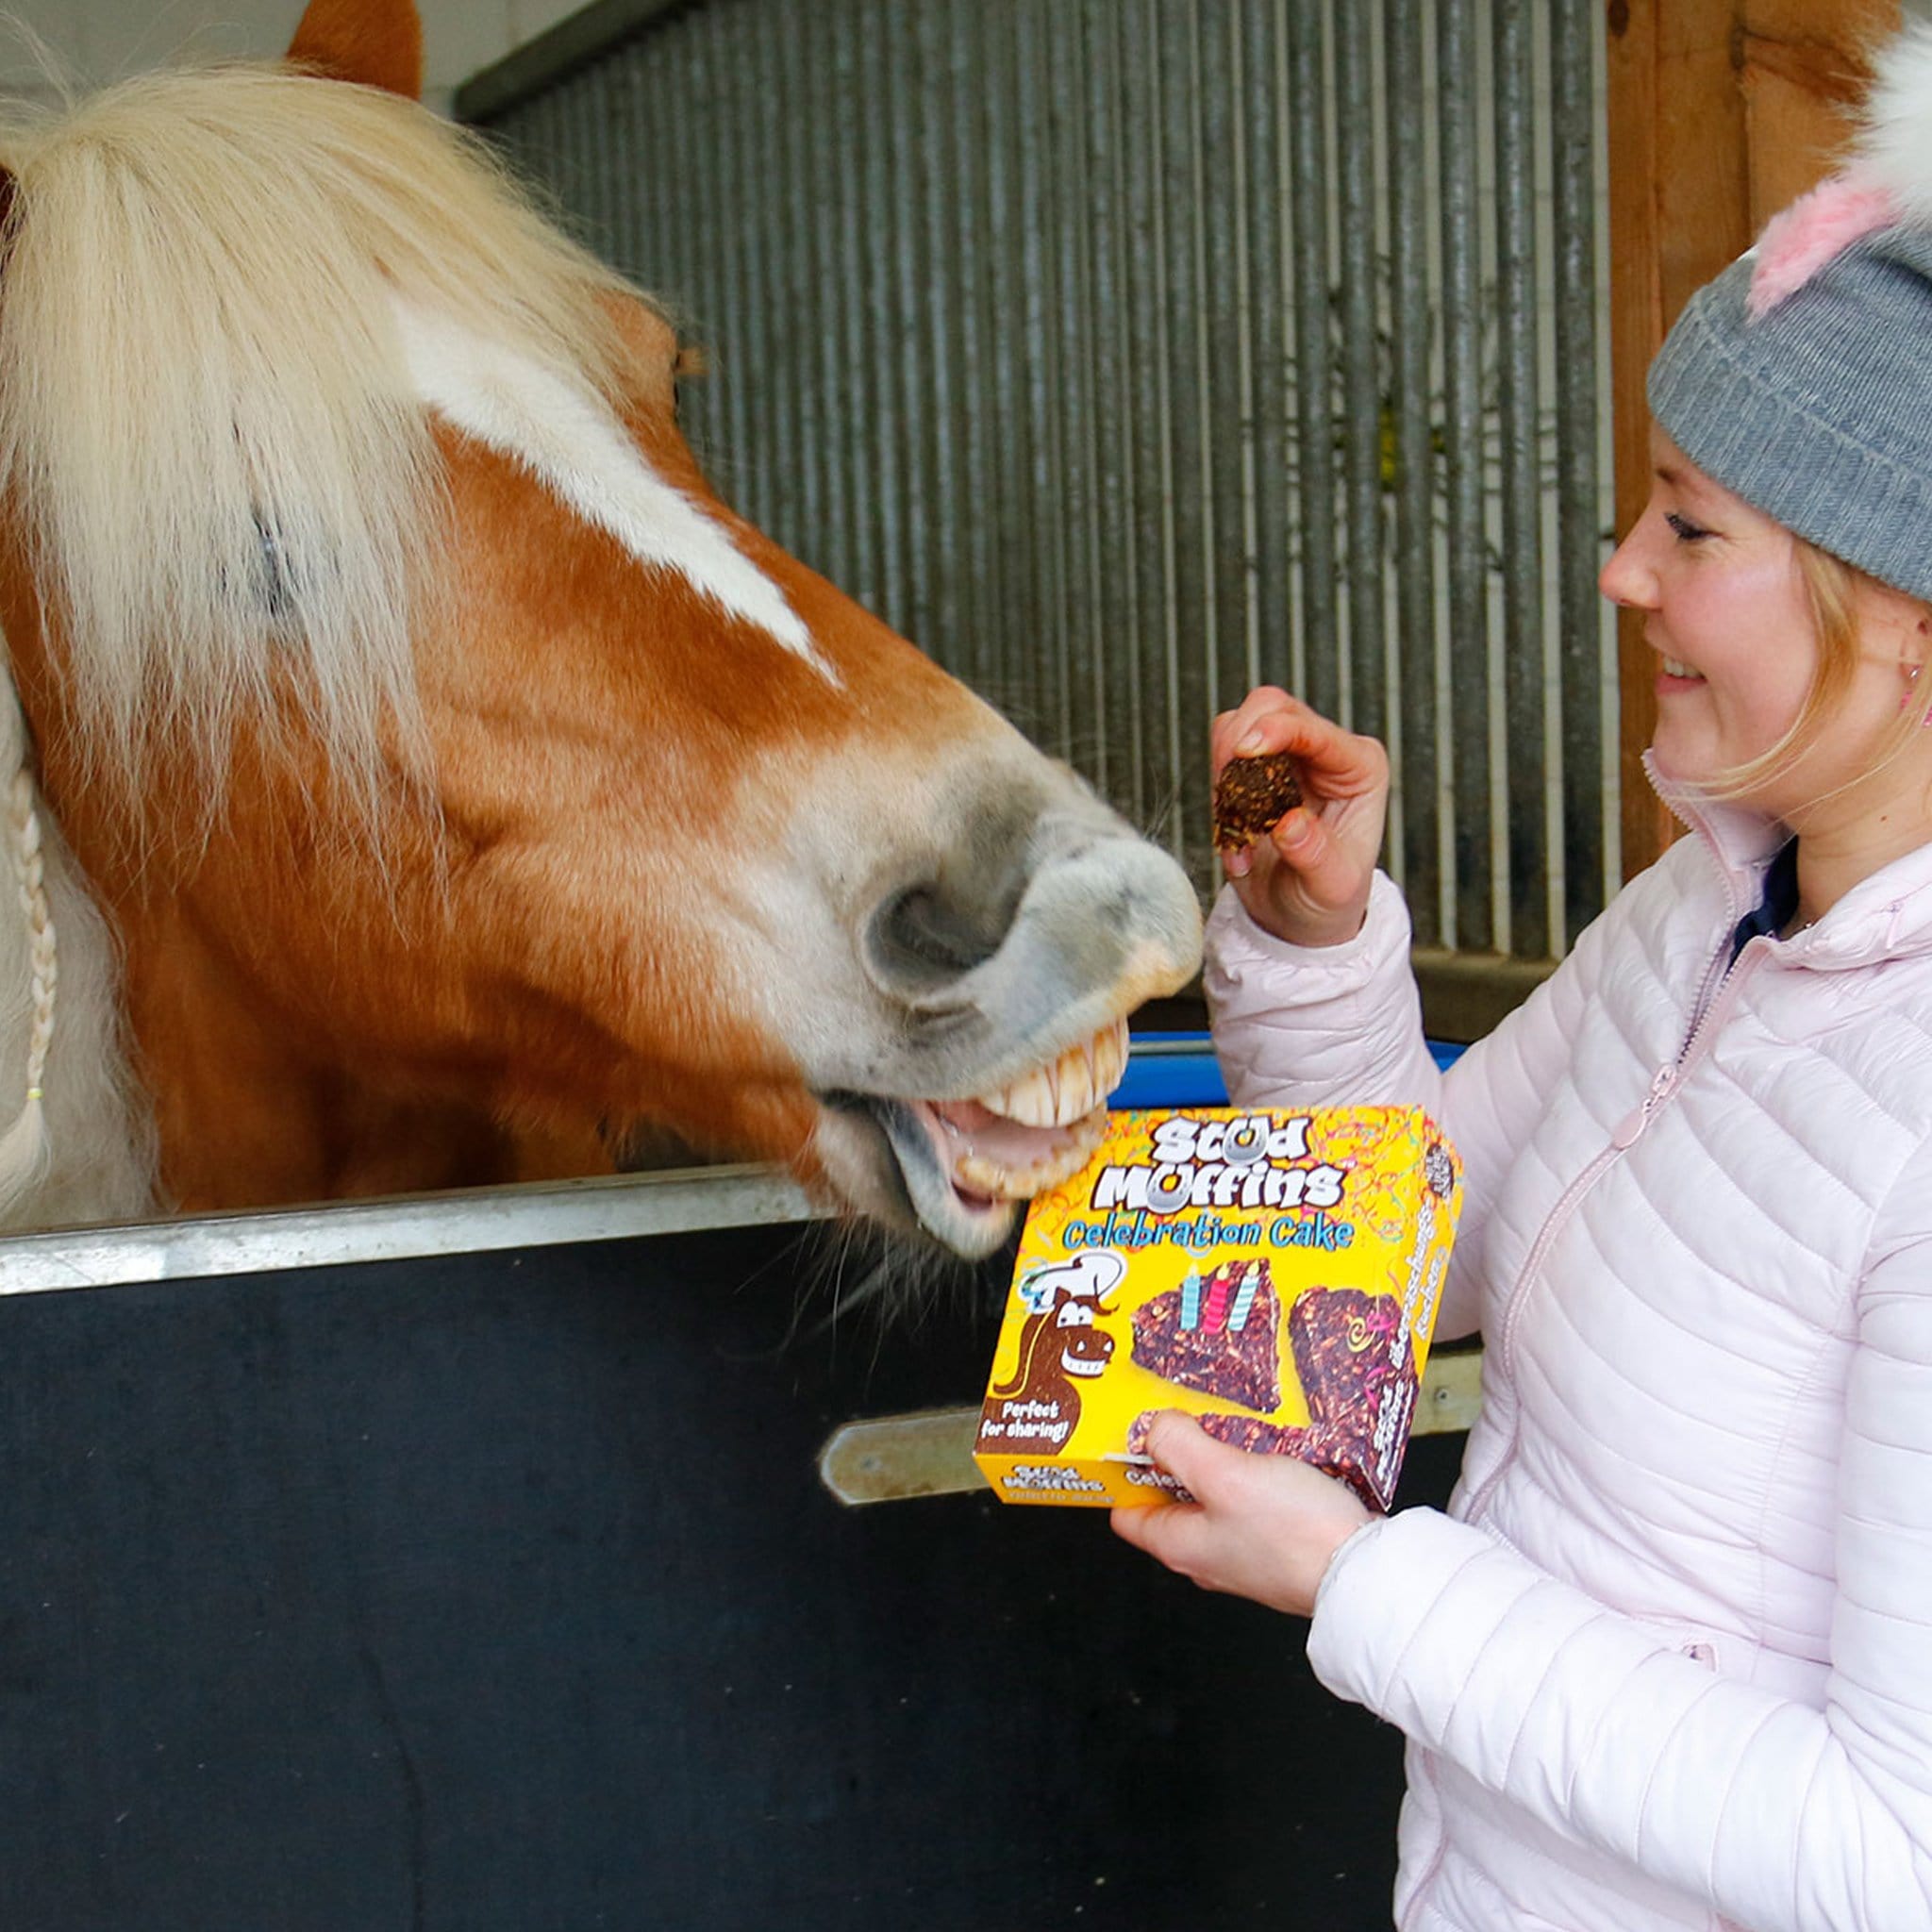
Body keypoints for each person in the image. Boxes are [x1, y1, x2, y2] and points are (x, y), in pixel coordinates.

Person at [1110, 25, 1932, 1932]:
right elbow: (1399, 1242)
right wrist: (1319, 938)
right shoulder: (1699, 917)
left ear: (1904, 620)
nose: (1618, 570)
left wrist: (1363, 1581)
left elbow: (1891, 1856)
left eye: (1692, 528)